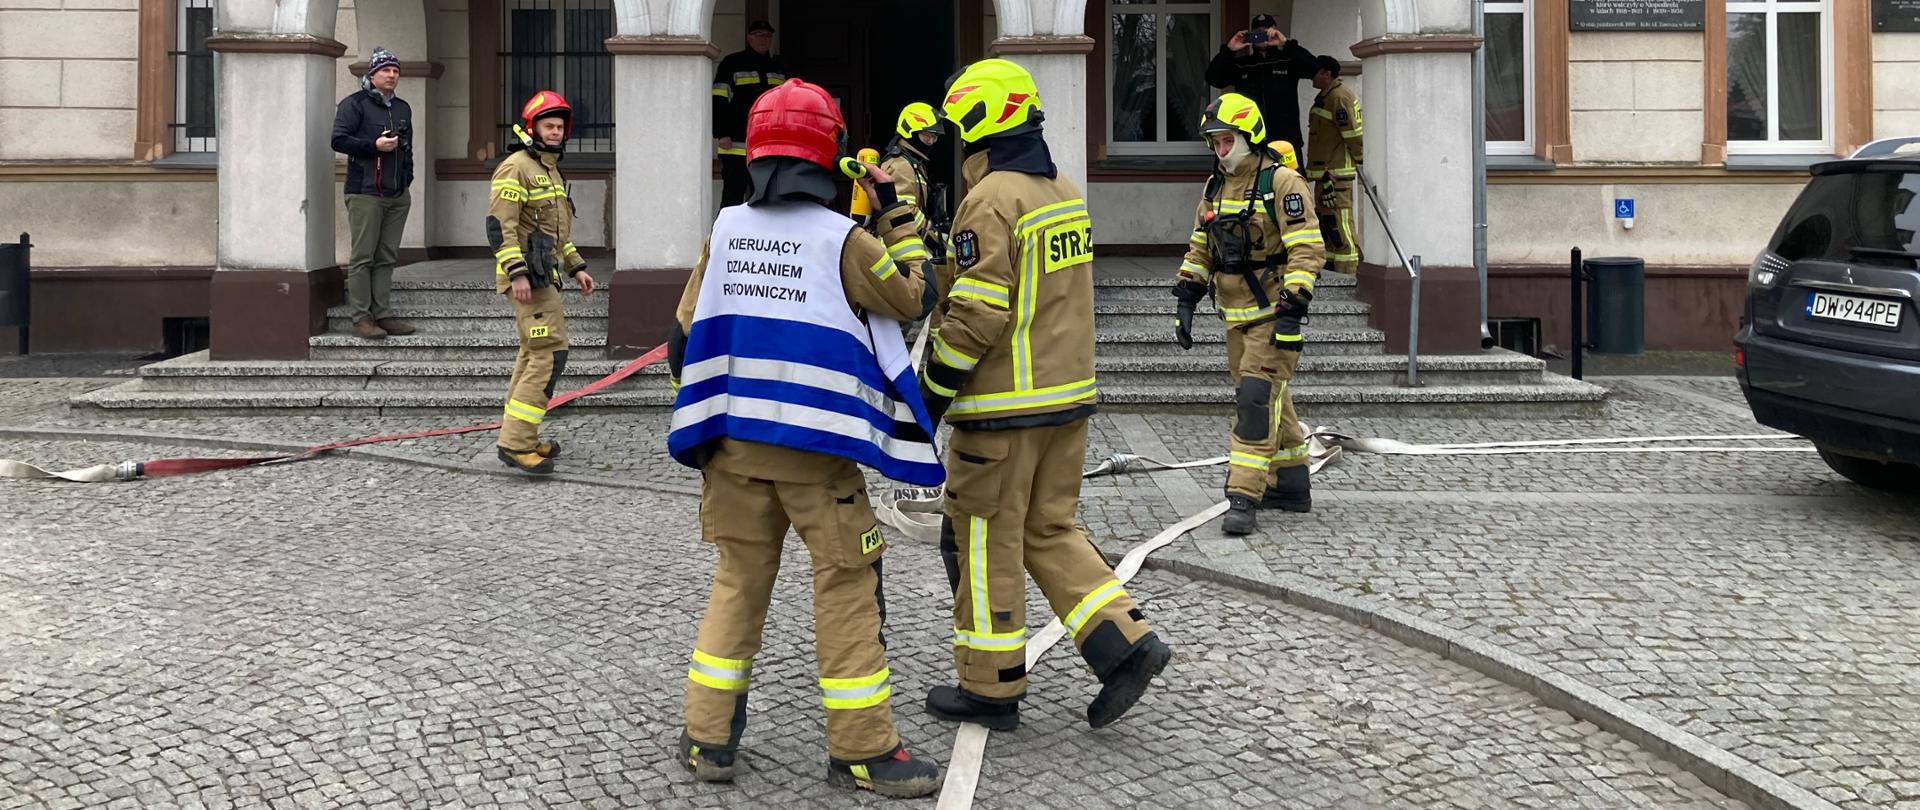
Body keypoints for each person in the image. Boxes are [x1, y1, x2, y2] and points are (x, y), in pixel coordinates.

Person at [665, 78, 944, 798]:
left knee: (737, 583)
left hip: (733, 452)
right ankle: (863, 749)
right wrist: (897, 215)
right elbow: (914, 296)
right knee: (847, 587)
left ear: (757, 154)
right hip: (818, 459)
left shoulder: (724, 229)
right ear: (831, 155)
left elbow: (684, 336)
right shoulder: (844, 240)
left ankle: (708, 740)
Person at [919, 58, 1173, 733]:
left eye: (960, 124)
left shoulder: (990, 199)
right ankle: (1127, 644)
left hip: (1001, 411)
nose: (957, 139)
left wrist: (930, 395)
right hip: (1068, 401)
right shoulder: (1062, 191)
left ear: (980, 119)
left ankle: (991, 688)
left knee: (982, 540)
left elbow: (975, 316)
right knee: (1048, 529)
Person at [1171, 93, 1325, 536]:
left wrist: (1295, 304)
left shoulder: (1282, 183)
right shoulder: (1214, 186)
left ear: (1248, 136)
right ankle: (1292, 483)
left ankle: (1244, 495)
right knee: (1272, 396)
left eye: (1225, 140)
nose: (1219, 149)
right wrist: (1187, 296)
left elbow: (1307, 247)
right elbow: (1201, 245)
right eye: (1214, 142)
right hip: (1234, 313)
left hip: (1274, 313)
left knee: (1255, 402)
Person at [487, 91, 596, 475]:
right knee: (549, 355)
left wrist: (576, 266)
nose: (555, 131)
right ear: (531, 128)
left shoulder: (548, 170)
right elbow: (502, 227)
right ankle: (518, 444)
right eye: (548, 126)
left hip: (542, 275)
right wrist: (516, 273)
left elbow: (554, 232)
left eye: (560, 126)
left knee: (534, 355)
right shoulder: (515, 167)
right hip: (528, 279)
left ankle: (518, 437)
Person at [331, 46, 416, 340]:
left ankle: (383, 313)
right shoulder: (354, 104)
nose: (391, 75)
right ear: (372, 74)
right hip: (365, 191)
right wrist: (373, 146)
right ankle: (361, 318)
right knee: (363, 257)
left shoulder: (402, 108)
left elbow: (409, 149)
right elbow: (338, 140)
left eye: (395, 71)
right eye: (385, 70)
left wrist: (407, 178)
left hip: (396, 193)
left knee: (387, 256)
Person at [1204, 14, 1318, 156]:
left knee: (1290, 178)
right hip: (1252, 141)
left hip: (1286, 140)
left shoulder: (1287, 61)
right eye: (1257, 31)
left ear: (1274, 30)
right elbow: (1213, 79)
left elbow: (1315, 69)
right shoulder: (1243, 64)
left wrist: (1286, 44)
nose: (1261, 35)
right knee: (1255, 178)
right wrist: (1229, 50)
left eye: (1266, 31)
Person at [711, 20, 786, 208]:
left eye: (768, 36)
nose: (764, 39)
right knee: (732, 197)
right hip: (735, 143)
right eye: (759, 35)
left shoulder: (777, 67)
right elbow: (719, 98)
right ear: (749, 38)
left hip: (767, 145)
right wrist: (721, 133)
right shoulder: (732, 63)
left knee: (763, 197)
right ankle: (726, 236)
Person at [1306, 55, 1364, 275]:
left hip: (1337, 174)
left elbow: (1352, 134)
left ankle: (1348, 270)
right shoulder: (1327, 96)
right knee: (1328, 223)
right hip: (1325, 173)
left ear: (1326, 74)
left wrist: (1360, 159)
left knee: (1340, 223)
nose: (1311, 76)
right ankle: (1332, 265)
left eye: (1315, 72)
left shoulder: (1339, 97)